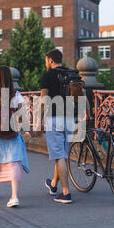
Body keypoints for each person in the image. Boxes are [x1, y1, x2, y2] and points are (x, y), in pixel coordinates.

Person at [0, 66, 30, 208]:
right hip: (12, 133)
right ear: (10, 78)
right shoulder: (16, 95)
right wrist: (29, 131)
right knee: (14, 162)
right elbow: (22, 118)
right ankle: (14, 197)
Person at [37, 49, 77, 204]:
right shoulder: (71, 74)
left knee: (59, 155)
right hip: (69, 119)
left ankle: (66, 193)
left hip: (54, 119)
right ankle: (53, 184)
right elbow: (82, 95)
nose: (46, 63)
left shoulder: (47, 76)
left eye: (46, 60)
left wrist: (39, 122)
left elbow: (43, 100)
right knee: (62, 154)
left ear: (50, 60)